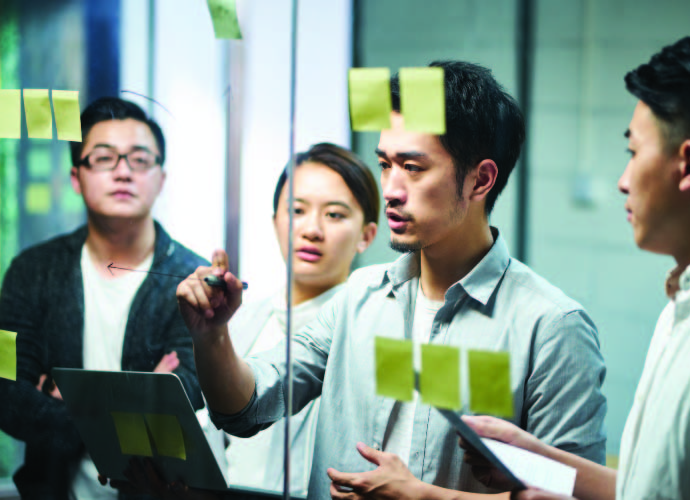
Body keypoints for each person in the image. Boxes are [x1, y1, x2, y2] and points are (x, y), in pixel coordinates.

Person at [177, 61, 607, 500]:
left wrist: (420, 496)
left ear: (481, 180)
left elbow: (573, 495)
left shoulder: (551, 327)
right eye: (385, 165)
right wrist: (211, 337)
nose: (391, 190)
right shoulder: (358, 298)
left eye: (414, 168)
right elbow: (246, 408)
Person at [456, 33, 690, 500]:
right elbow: (657, 489)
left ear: (688, 163)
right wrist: (538, 461)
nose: (622, 181)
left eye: (634, 153)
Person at [0, 97, 207, 500]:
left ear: (161, 178)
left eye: (140, 159)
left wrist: (73, 401)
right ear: (76, 177)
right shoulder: (32, 271)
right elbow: (7, 393)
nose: (123, 172)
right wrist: (142, 397)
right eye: (104, 158)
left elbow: (190, 396)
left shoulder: (190, 277)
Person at [203, 143, 379, 496]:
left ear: (367, 236)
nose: (311, 229)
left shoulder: (373, 331)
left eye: (334, 215)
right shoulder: (237, 320)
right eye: (296, 210)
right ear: (275, 222)